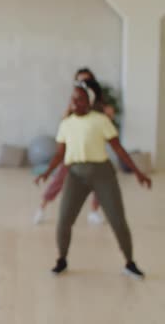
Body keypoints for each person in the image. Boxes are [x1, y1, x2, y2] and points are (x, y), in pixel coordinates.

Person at [35, 79, 151, 279]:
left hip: (102, 174)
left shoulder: (100, 120)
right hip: (76, 175)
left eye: (79, 99)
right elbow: (59, 154)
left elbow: (118, 149)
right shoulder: (66, 124)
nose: (74, 103)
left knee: (117, 220)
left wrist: (138, 172)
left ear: (88, 102)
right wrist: (46, 172)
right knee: (64, 220)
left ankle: (130, 263)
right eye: (73, 99)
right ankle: (61, 260)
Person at [33, 68, 105, 225]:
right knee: (59, 180)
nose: (83, 84)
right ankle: (42, 208)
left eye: (86, 81)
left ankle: (94, 212)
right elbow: (65, 120)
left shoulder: (98, 104)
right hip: (73, 151)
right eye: (80, 81)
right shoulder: (75, 101)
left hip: (93, 151)